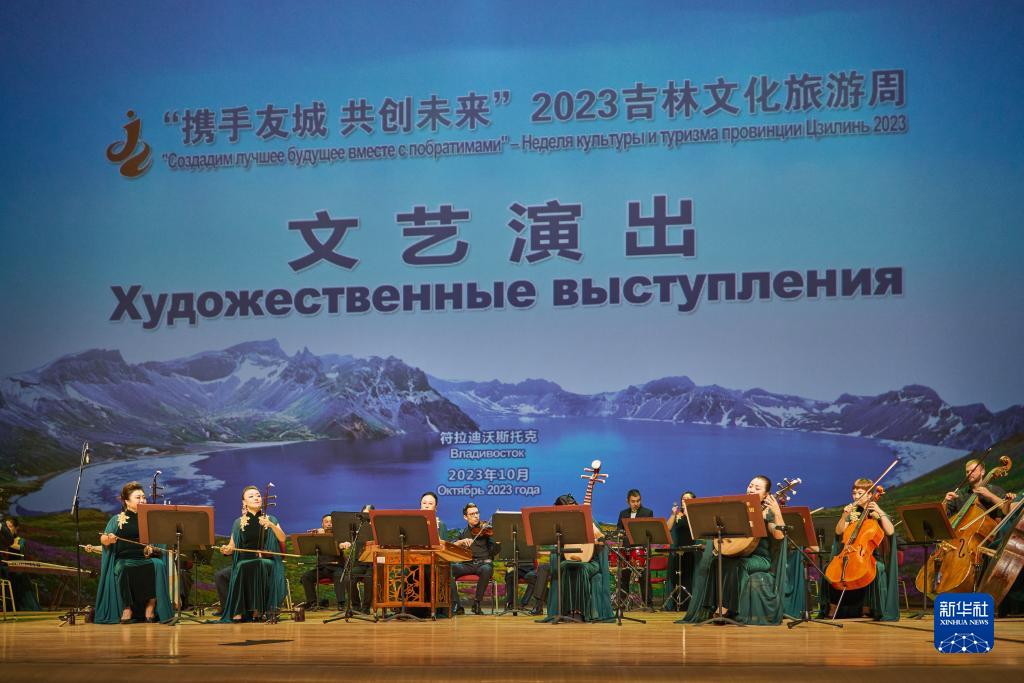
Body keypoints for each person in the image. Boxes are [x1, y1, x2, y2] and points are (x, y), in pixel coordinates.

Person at [682, 476, 788, 625]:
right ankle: (710, 606)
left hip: (760, 558)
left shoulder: (768, 513)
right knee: (716, 562)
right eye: (750, 485)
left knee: (737, 565)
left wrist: (777, 512)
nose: (751, 489)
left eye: (757, 488)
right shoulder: (740, 509)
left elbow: (779, 536)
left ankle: (727, 608)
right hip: (738, 553)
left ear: (766, 494)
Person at [94, 482, 173, 624]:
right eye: (138, 497)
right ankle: (127, 607)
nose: (142, 500)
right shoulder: (117, 519)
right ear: (127, 501)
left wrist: (154, 547)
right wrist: (109, 539)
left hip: (145, 557)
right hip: (124, 559)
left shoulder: (150, 519)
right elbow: (103, 539)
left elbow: (160, 541)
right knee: (123, 568)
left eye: (144, 497)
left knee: (158, 564)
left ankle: (151, 605)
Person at [823, 478, 899, 621]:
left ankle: (867, 607)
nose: (856, 496)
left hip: (870, 554)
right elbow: (839, 531)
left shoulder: (875, 511)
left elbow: (890, 531)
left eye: (860, 493)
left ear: (870, 495)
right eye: (854, 493)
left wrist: (879, 512)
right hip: (850, 552)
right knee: (830, 569)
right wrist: (844, 515)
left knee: (874, 568)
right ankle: (834, 606)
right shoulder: (852, 512)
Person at [218, 485, 288, 622]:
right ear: (244, 502)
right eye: (251, 496)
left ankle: (258, 610)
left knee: (256, 564)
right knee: (223, 574)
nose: (256, 498)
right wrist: (226, 549)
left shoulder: (271, 519)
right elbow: (232, 546)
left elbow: (282, 538)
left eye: (258, 495)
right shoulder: (239, 522)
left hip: (266, 561)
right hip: (245, 561)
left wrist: (271, 525)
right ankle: (237, 610)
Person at [543, 494, 614, 622]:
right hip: (568, 558)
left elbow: (601, 539)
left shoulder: (589, 520)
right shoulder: (560, 524)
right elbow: (556, 547)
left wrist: (597, 537)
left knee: (580, 568)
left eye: (573, 506)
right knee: (568, 566)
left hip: (591, 561)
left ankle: (580, 612)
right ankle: (566, 612)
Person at [451, 502, 497, 615]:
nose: (476, 516)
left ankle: (477, 603)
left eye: (477, 513)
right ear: (465, 517)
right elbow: (451, 545)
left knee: (487, 569)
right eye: (472, 514)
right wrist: (461, 542)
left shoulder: (486, 530)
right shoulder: (462, 532)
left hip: (483, 564)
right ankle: (457, 604)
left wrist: (496, 541)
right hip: (467, 564)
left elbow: (495, 550)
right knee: (447, 569)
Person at [299, 513, 346, 610]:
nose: (329, 524)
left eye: (331, 522)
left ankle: (341, 603)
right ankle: (312, 602)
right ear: (322, 524)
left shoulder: (339, 535)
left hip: (336, 567)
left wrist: (342, 545)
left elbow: (343, 544)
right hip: (321, 568)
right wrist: (315, 536)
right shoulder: (318, 535)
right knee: (306, 577)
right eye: (326, 522)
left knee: (339, 576)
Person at [615, 489, 654, 606]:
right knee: (624, 575)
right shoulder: (623, 513)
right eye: (633, 501)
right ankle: (623, 602)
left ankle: (648, 603)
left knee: (644, 576)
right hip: (627, 549)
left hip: (641, 549)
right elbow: (619, 529)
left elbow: (649, 531)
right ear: (628, 501)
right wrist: (620, 534)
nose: (636, 503)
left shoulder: (647, 512)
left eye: (638, 501)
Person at [664, 492, 697, 611]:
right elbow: (667, 528)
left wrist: (688, 514)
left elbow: (695, 530)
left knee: (687, 577)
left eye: (688, 498)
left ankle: (687, 604)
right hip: (677, 550)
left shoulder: (695, 515)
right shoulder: (677, 514)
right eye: (683, 498)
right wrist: (673, 514)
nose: (684, 500)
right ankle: (674, 603)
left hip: (690, 550)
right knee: (676, 577)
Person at [1, 517, 41, 611]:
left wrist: (7, 541)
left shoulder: (20, 540)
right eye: (5, 527)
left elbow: (20, 548)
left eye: (10, 526)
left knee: (20, 579)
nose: (7, 529)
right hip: (6, 569)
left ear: (16, 528)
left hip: (17, 570)